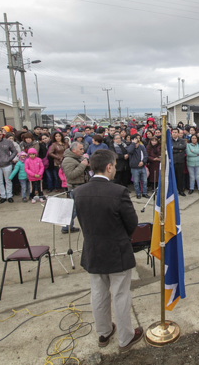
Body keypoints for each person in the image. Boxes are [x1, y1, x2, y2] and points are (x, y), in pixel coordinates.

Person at [71, 149, 143, 351]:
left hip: (93, 250)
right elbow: (132, 223)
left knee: (98, 293)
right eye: (115, 166)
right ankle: (125, 338)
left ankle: (103, 333)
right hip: (117, 250)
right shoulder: (118, 192)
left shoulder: (78, 192)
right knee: (120, 295)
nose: (116, 170)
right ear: (109, 167)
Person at [61, 142, 89, 234]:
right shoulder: (68, 160)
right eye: (80, 149)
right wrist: (83, 165)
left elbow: (84, 167)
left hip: (82, 186)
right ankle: (66, 226)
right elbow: (71, 175)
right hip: (75, 187)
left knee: (78, 208)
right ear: (73, 150)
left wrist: (87, 165)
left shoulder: (78, 157)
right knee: (74, 209)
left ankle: (68, 226)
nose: (82, 151)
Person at [170, 128, 187, 196]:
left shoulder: (182, 140)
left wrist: (173, 147)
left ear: (178, 133)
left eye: (175, 132)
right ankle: (173, 191)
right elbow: (169, 150)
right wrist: (178, 149)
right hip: (172, 162)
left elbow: (183, 147)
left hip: (180, 161)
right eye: (173, 132)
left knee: (180, 177)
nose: (174, 133)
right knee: (172, 177)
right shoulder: (169, 140)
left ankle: (180, 190)